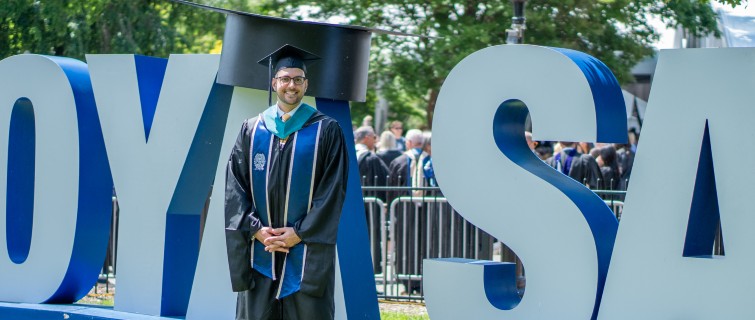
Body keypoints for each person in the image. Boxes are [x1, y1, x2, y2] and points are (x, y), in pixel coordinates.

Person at [225, 44, 348, 320]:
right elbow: (235, 188)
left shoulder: (326, 130)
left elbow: (332, 192)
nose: (290, 85)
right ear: (274, 83)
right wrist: (256, 230)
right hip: (261, 252)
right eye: (285, 79)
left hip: (305, 253)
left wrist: (299, 232)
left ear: (306, 85)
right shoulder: (252, 129)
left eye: (297, 79)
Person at [354, 126, 388, 274]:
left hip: (348, 207)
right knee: (370, 238)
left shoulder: (346, 151)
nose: (376, 140)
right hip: (369, 208)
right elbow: (383, 180)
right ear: (366, 137)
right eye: (374, 137)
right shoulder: (370, 158)